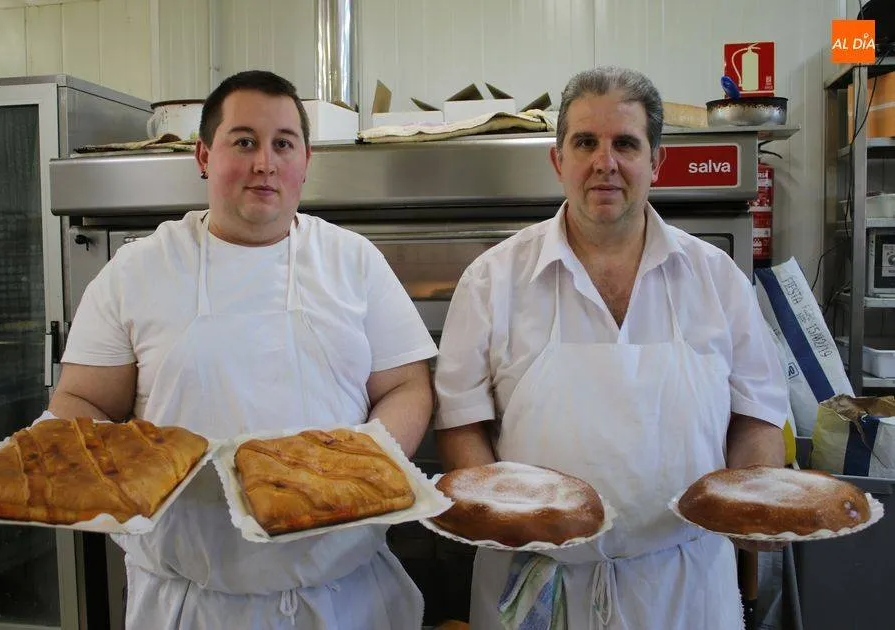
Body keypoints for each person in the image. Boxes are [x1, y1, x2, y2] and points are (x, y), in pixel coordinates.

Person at [49, 70, 437, 630]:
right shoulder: (138, 270)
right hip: (191, 603)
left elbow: (406, 385)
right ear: (204, 155)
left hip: (342, 597)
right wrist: (106, 470)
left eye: (283, 143)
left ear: (306, 161)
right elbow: (82, 400)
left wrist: (355, 472)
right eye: (244, 141)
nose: (265, 162)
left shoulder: (353, 262)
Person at [433, 66, 788, 630]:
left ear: (656, 161)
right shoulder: (493, 281)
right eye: (585, 143)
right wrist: (504, 519)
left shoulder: (716, 279)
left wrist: (756, 509)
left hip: (684, 587)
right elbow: (460, 425)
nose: (606, 163)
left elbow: (759, 415)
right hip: (536, 583)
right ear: (558, 161)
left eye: (625, 143)